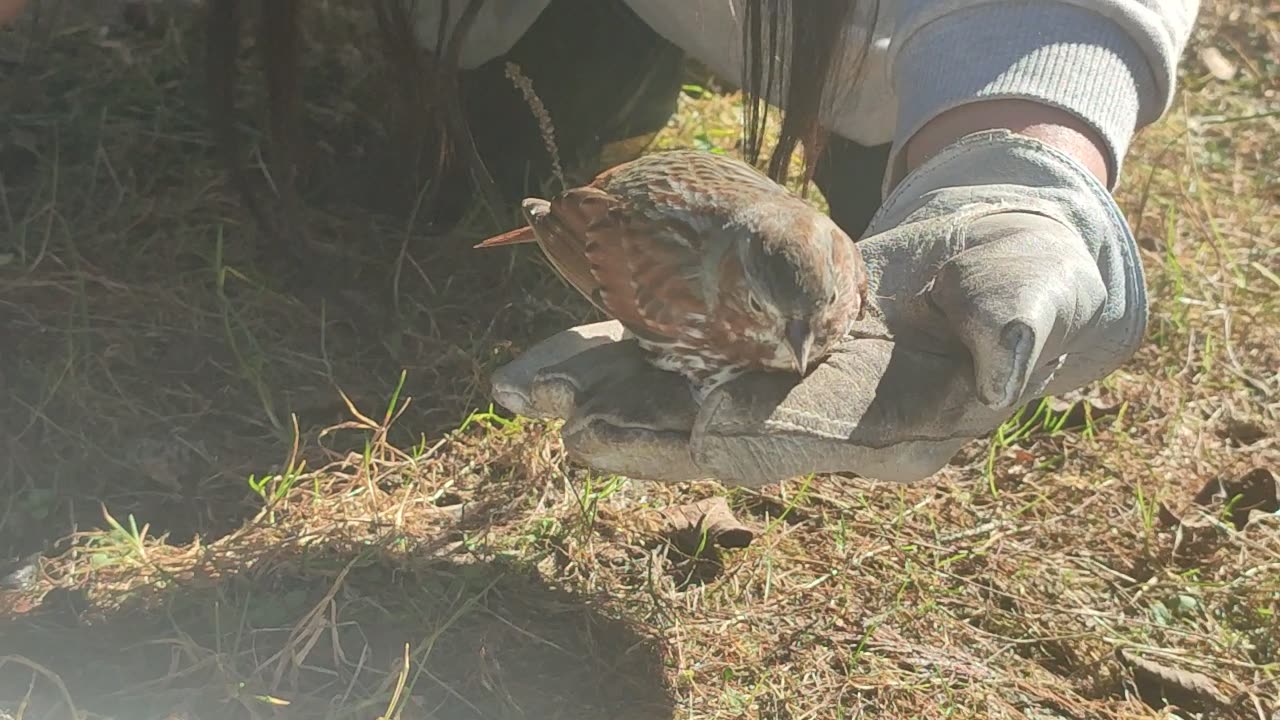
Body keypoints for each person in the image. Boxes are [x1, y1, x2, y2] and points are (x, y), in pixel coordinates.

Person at [2, 0, 1200, 486]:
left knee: (890, 150)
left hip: (896, 39)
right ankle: (573, 48)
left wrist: (1017, 159)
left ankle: (878, 118)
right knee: (480, 121)